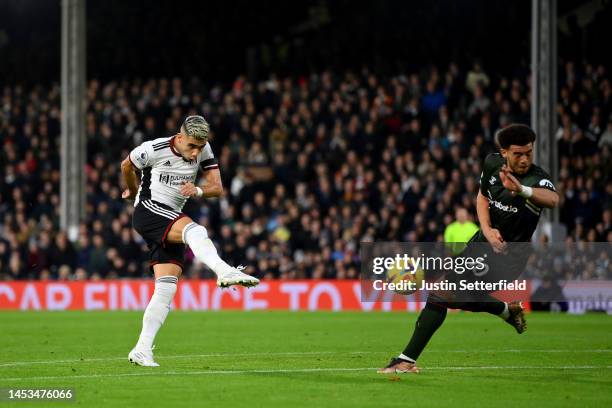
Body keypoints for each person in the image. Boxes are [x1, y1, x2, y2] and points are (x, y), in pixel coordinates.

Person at [379, 124, 560, 374]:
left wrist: (522, 190)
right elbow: (482, 197)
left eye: (528, 152)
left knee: (444, 294)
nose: (524, 159)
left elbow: (553, 199)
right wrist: (486, 229)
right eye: (518, 153)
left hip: (510, 256)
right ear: (504, 152)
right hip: (481, 243)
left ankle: (406, 360)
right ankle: (507, 311)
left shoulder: (535, 179)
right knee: (448, 294)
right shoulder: (491, 164)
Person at [121, 115, 259, 367]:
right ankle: (224, 270)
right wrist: (131, 192)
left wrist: (197, 190)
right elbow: (126, 165)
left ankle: (141, 349)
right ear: (180, 137)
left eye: (200, 146)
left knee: (166, 288)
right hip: (149, 209)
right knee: (195, 231)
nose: (196, 152)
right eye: (191, 146)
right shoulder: (154, 149)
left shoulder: (204, 148)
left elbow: (217, 188)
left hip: (170, 218)